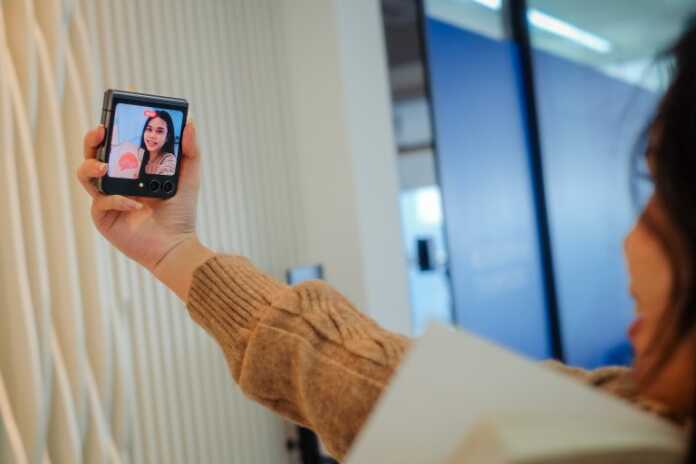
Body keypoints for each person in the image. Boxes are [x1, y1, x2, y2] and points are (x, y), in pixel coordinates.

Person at [76, 18, 696, 463]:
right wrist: (174, 247)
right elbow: (366, 381)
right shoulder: (649, 418)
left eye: (662, 194)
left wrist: (176, 250)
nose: (631, 244)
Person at [137, 110, 177, 176]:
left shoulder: (169, 160)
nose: (152, 136)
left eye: (159, 131)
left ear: (167, 137)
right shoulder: (139, 153)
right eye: (149, 129)